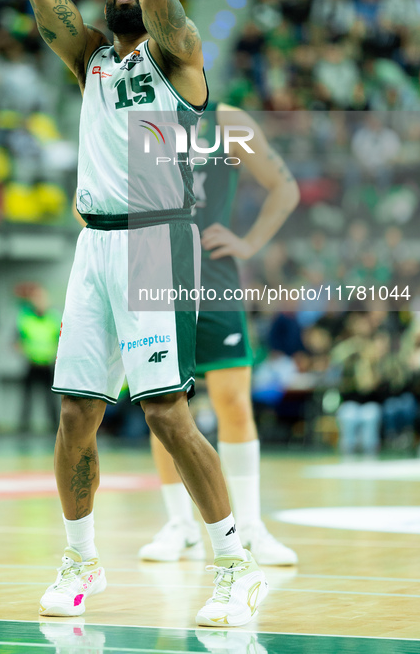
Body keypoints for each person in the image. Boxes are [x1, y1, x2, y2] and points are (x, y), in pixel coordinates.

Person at [26, 0, 268, 627]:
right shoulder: (90, 58)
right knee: (73, 416)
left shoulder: (181, 58)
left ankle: (234, 562)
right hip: (92, 246)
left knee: (167, 412)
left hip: (155, 243)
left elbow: (164, 5)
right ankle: (79, 559)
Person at [139, 101, 300, 566]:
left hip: (215, 278)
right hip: (159, 277)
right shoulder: (140, 117)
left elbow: (283, 189)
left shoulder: (227, 122)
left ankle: (250, 524)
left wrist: (250, 242)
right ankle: (180, 525)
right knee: (165, 404)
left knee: (233, 401)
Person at [15, 282, 61, 434]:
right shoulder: (24, 318)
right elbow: (17, 340)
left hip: (48, 364)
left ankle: (55, 427)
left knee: (51, 400)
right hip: (31, 363)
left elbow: (60, 340)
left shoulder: (54, 318)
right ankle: (23, 427)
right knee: (27, 399)